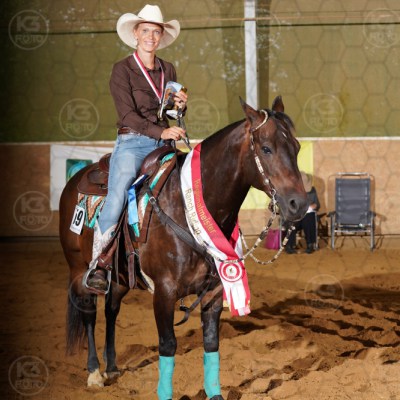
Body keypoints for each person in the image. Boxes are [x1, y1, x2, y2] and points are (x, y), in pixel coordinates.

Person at [84, 4, 188, 293]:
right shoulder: (122, 70)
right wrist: (161, 131)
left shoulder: (168, 68)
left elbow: (168, 111)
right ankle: (100, 264)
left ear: (161, 36)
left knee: (188, 186)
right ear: (135, 34)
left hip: (164, 142)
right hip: (132, 143)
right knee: (118, 194)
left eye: (156, 32)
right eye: (146, 31)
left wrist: (180, 107)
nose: (151, 37)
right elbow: (127, 115)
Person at [285, 171, 320, 254]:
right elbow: (287, 206)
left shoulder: (312, 190)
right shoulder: (291, 191)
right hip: (296, 216)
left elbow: (318, 205)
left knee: (308, 218)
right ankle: (290, 245)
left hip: (307, 216)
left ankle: (310, 244)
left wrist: (314, 206)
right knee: (291, 221)